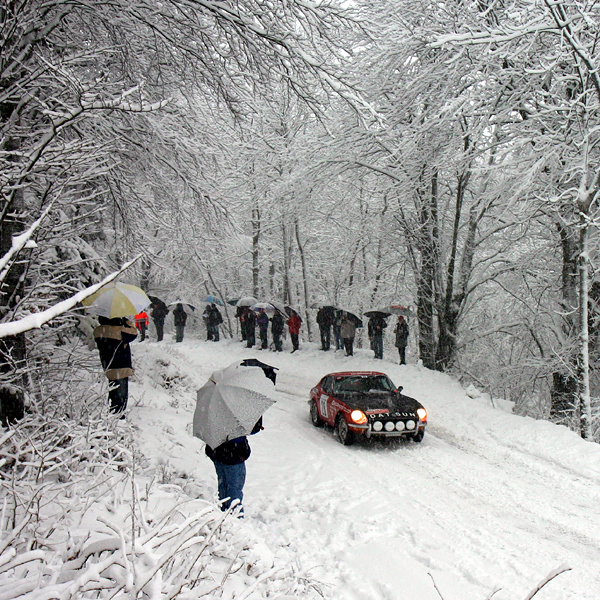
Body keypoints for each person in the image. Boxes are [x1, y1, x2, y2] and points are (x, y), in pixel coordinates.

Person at [205, 418, 263, 516]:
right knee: (234, 488)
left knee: (223, 485)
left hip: (216, 451)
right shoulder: (237, 410)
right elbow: (252, 429)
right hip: (233, 454)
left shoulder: (214, 409)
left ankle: (223, 512)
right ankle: (234, 518)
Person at [93, 316, 137, 415]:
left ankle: (112, 413)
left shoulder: (98, 331)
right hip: (121, 366)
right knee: (121, 395)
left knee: (113, 391)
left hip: (108, 365)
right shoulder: (119, 331)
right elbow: (134, 333)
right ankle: (119, 416)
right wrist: (126, 321)